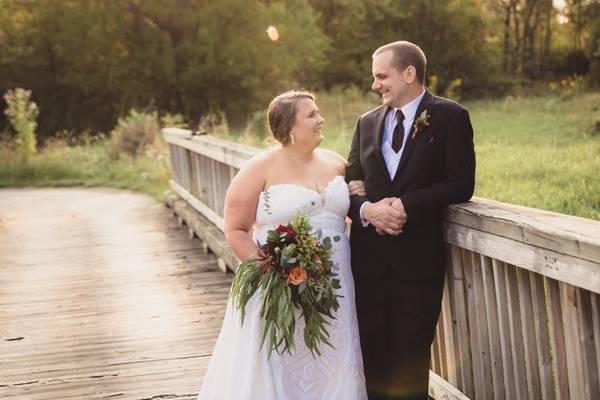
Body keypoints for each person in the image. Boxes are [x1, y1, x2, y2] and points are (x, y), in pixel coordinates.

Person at [197, 90, 368, 400]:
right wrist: (276, 271)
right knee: (283, 356)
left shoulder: (338, 164)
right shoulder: (259, 168)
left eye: (318, 112)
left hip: (337, 283)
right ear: (291, 126)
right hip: (278, 283)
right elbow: (235, 229)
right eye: (312, 114)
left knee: (333, 353)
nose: (321, 119)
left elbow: (359, 207)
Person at [346, 41, 476, 400]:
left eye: (381, 76)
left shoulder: (451, 116)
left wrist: (406, 205)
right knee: (372, 363)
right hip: (368, 267)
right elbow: (349, 181)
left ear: (409, 74)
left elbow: (460, 184)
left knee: (410, 366)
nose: (375, 85)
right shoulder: (366, 122)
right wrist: (367, 211)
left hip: (417, 268)